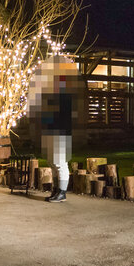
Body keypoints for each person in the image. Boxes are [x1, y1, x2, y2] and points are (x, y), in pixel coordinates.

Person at [29, 56, 83, 203]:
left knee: (59, 162)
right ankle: (56, 189)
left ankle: (62, 192)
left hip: (60, 131)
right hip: (51, 130)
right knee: (52, 162)